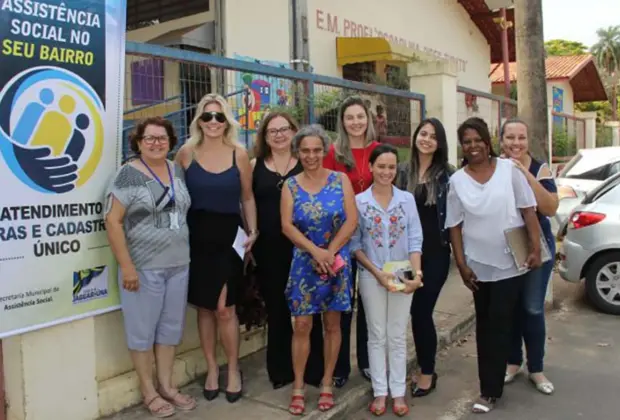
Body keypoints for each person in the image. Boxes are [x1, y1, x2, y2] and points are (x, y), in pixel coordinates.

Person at [446, 117, 542, 414]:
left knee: (499, 324)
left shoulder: (508, 170)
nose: (473, 146)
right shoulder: (457, 180)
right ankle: (490, 382)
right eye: (467, 141)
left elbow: (528, 211)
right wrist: (461, 265)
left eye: (478, 140)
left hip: (509, 263)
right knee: (485, 325)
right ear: (461, 146)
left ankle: (490, 391)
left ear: (488, 142)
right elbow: (455, 226)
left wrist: (536, 248)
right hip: (477, 266)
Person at [105, 117, 196, 417]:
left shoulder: (176, 170)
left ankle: (167, 386)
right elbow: (113, 221)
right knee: (142, 332)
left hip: (178, 264)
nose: (156, 143)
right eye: (150, 138)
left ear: (171, 141)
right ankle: (149, 391)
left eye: (162, 138)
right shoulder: (127, 175)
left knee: (170, 330)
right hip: (143, 267)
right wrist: (126, 266)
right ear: (139, 142)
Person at [175, 93, 258, 404]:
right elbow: (176, 197)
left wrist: (253, 232)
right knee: (206, 307)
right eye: (207, 116)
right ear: (198, 120)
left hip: (229, 237)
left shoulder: (239, 154)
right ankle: (212, 368)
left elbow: (247, 197)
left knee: (225, 308)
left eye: (219, 116)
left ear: (227, 122)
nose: (213, 122)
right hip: (195, 237)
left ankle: (233, 368)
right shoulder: (185, 153)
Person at [281, 124, 358, 415]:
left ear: (325, 150)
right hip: (304, 263)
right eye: (305, 150)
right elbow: (286, 225)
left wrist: (329, 251)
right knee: (301, 325)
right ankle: (299, 385)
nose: (311, 155)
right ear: (297, 152)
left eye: (316, 150)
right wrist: (315, 251)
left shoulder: (340, 180)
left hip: (336, 262)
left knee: (333, 325)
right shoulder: (290, 185)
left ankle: (327, 382)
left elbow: (351, 221)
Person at [251, 112, 324, 389]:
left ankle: (313, 371)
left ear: (295, 131)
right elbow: (246, 201)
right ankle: (281, 371)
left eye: (284, 129)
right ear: (265, 137)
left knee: (310, 310)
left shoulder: (306, 162)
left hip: (305, 247)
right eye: (273, 131)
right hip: (269, 248)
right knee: (277, 310)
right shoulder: (255, 164)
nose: (279, 135)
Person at [352, 144, 424, 417]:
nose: (386, 172)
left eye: (391, 167)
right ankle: (380, 392)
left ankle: (398, 391)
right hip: (372, 276)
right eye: (381, 166)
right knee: (376, 334)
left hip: (403, 274)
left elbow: (415, 238)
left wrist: (416, 275)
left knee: (396, 334)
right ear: (370, 167)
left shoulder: (406, 200)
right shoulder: (360, 201)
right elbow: (355, 243)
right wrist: (376, 272)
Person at [322, 95, 379, 387]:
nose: (355, 122)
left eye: (360, 116)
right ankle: (340, 366)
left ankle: (368, 363)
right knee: (343, 303)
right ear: (342, 123)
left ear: (367, 119)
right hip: (341, 236)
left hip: (373, 238)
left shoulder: (378, 151)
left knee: (370, 301)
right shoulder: (332, 153)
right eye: (349, 118)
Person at [500, 118, 559, 395]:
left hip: (538, 246)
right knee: (511, 308)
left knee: (532, 308)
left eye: (521, 138)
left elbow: (549, 207)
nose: (516, 143)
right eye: (510, 138)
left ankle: (536, 368)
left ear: (527, 139)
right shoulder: (495, 168)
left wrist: (525, 173)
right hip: (505, 247)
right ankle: (513, 362)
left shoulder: (540, 168)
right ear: (501, 140)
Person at [396, 118, 453, 397]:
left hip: (434, 255)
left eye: (433, 136)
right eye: (423, 133)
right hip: (400, 255)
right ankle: (394, 373)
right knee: (398, 315)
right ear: (415, 136)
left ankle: (427, 372)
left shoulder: (447, 176)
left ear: (439, 143)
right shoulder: (400, 172)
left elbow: (455, 220)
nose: (426, 139)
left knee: (420, 312)